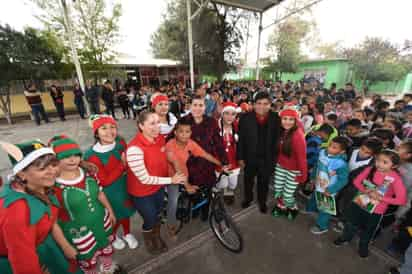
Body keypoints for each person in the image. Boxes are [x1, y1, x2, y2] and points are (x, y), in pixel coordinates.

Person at [0, 140, 82, 274]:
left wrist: (65, 245)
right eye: (42, 168)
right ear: (22, 174)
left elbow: (50, 219)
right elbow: (23, 261)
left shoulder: (41, 185)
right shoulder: (17, 211)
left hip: (43, 244)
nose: (53, 172)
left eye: (54, 165)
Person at [49, 136, 122, 274]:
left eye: (76, 155)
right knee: (89, 261)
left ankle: (108, 270)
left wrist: (110, 212)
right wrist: (65, 245)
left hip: (101, 222)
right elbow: (53, 221)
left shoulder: (88, 172)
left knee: (105, 251)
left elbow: (100, 194)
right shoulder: (52, 186)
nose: (73, 160)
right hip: (79, 233)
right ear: (55, 160)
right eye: (66, 156)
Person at [126, 111, 186, 255]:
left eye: (158, 122)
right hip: (142, 193)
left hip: (158, 187)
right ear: (141, 126)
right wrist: (171, 180)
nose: (157, 126)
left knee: (158, 214)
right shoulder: (135, 148)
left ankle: (157, 236)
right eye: (152, 123)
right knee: (149, 217)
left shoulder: (159, 139)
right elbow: (144, 179)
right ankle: (148, 238)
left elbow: (164, 157)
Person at [334, 150, 407, 258]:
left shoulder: (396, 179)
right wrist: (364, 190)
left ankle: (363, 246)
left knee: (368, 230)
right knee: (351, 223)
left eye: (385, 162)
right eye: (378, 160)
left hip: (376, 210)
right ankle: (345, 238)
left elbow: (401, 200)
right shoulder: (370, 169)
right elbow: (356, 181)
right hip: (360, 202)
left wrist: (382, 198)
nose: (379, 164)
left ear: (394, 165)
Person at [83, 115, 137, 250]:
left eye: (113, 127)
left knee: (126, 212)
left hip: (125, 186)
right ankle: (112, 236)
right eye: (104, 128)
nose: (109, 131)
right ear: (96, 133)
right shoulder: (92, 155)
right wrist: (122, 165)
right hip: (109, 193)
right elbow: (105, 181)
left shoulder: (120, 143)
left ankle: (127, 233)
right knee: (114, 216)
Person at [165, 119, 222, 237]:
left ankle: (191, 210)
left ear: (191, 133)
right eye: (181, 132)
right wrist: (187, 185)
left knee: (199, 190)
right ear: (175, 132)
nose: (184, 135)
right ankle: (171, 225)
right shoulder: (170, 145)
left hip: (186, 174)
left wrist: (221, 164)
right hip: (172, 177)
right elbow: (176, 164)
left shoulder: (190, 143)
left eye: (187, 132)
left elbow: (205, 155)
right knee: (173, 201)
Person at [181, 95, 228, 219]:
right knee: (193, 190)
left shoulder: (211, 122)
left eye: (200, 105)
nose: (197, 108)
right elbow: (171, 139)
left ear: (205, 107)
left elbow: (218, 143)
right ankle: (196, 208)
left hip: (207, 163)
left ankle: (205, 211)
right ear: (190, 106)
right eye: (195, 105)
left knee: (207, 189)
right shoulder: (183, 121)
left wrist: (224, 161)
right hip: (189, 164)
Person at [237, 91, 280, 213]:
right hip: (250, 157)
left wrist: (274, 160)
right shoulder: (245, 118)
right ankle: (248, 199)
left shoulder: (275, 118)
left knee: (264, 182)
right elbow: (241, 140)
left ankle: (262, 201)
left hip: (267, 158)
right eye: (259, 103)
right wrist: (240, 158)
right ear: (254, 104)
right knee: (248, 180)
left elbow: (277, 140)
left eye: (265, 104)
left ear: (270, 105)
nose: (262, 106)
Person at [304, 136, 350, 234]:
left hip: (329, 190)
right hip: (318, 183)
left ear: (342, 151)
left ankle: (321, 226)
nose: (329, 148)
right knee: (314, 197)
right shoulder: (322, 152)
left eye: (334, 147)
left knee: (326, 208)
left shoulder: (341, 164)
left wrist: (331, 190)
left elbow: (343, 180)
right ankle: (311, 209)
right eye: (330, 145)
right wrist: (312, 178)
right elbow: (317, 165)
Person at [272, 105, 307, 220]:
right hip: (280, 166)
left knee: (287, 195)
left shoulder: (298, 136)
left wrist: (303, 175)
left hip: (294, 170)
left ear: (296, 120)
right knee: (278, 190)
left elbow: (302, 158)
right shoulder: (280, 131)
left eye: (291, 119)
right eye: (285, 118)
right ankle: (281, 206)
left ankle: (293, 207)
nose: (287, 122)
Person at [216, 102, 241, 205]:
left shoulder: (238, 128)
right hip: (220, 164)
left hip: (234, 163)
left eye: (233, 114)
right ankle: (217, 191)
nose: (230, 117)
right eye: (227, 113)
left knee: (233, 184)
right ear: (222, 114)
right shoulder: (215, 128)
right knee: (222, 184)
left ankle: (228, 192)